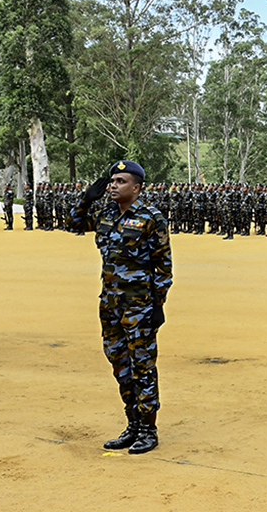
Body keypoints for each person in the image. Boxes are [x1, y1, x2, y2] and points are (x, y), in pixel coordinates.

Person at [69, 160, 172, 455]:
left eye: (121, 181)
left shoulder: (151, 217)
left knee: (143, 368)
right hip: (110, 305)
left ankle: (148, 430)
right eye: (112, 180)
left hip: (139, 307)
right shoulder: (105, 214)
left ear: (137, 188)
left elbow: (163, 266)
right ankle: (132, 424)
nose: (113, 185)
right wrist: (85, 200)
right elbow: (74, 225)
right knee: (119, 365)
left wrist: (157, 305)